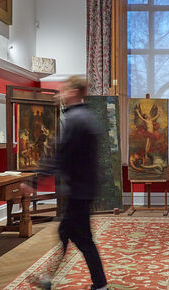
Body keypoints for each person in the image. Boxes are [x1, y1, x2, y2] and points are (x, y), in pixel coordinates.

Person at [21, 76, 108, 290]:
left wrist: (34, 181)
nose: (59, 94)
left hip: (78, 190)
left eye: (63, 90)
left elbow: (59, 155)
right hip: (82, 188)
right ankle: (49, 278)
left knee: (83, 239)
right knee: (66, 232)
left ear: (73, 93)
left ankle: (100, 285)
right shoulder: (85, 116)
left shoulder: (76, 119)